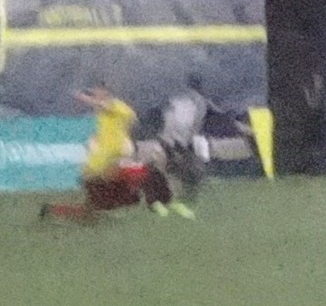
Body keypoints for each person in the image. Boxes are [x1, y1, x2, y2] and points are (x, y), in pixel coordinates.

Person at [41, 83, 174, 220]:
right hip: (99, 173)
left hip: (98, 173)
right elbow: (106, 110)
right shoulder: (107, 123)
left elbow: (108, 107)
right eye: (96, 94)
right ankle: (160, 203)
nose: (98, 100)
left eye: (100, 94)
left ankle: (52, 210)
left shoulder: (117, 109)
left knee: (93, 211)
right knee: (137, 183)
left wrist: (84, 97)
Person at [157, 76, 212, 209]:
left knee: (177, 168)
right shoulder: (198, 100)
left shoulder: (178, 98)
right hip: (183, 139)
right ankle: (186, 195)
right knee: (190, 168)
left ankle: (176, 195)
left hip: (172, 138)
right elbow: (196, 122)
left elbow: (168, 119)